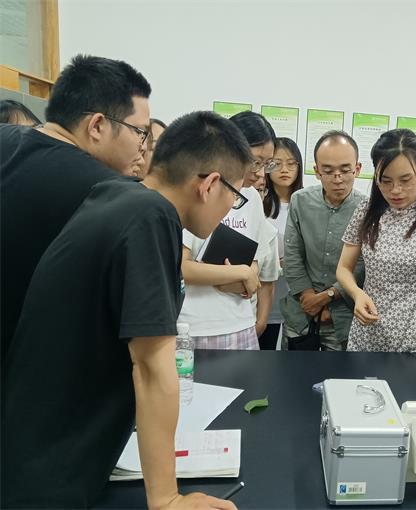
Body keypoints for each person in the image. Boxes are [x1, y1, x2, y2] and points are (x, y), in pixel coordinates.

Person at [1, 111, 250, 509]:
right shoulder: (151, 217)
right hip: (49, 470)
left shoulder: (121, 197)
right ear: (209, 184)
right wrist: (168, 499)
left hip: (39, 444)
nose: (230, 209)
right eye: (235, 196)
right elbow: (151, 366)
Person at [0, 54, 151, 360]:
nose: (143, 145)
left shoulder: (7, 142)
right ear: (97, 125)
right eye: (139, 131)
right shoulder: (112, 194)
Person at [336, 129, 416, 388]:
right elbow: (343, 268)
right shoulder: (366, 211)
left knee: (409, 404)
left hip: (415, 341)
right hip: (367, 337)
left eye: (406, 179)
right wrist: (357, 294)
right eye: (385, 181)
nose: (396, 190)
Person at [178, 111, 278, 349]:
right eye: (255, 161)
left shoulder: (252, 198)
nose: (260, 173)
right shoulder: (197, 190)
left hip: (240, 322)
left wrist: (246, 275)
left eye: (267, 164)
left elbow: (255, 262)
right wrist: (238, 274)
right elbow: (181, 267)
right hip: (194, 327)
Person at [280, 130, 365, 351]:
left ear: (357, 169)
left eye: (345, 170)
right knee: (291, 368)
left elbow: (363, 264)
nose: (337, 178)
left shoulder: (368, 209)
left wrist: (329, 297)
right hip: (301, 310)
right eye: (328, 171)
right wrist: (309, 297)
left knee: (338, 371)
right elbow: (292, 253)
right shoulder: (300, 201)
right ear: (317, 171)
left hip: (344, 315)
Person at [259, 137, 304, 349]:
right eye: (276, 163)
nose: (284, 169)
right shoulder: (259, 202)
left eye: (291, 163)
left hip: (295, 291)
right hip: (263, 288)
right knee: (263, 345)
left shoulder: (305, 203)